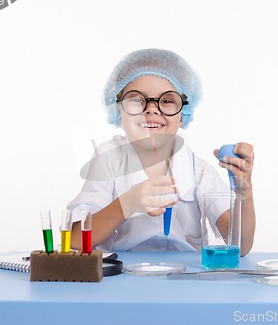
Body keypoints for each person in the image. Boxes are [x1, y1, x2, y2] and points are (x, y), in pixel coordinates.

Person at [67, 48, 256, 256]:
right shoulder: (109, 160)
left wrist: (243, 192)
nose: (151, 109)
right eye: (137, 99)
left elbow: (241, 247)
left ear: (183, 114)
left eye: (167, 101)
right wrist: (126, 204)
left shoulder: (198, 170)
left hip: (185, 278)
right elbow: (76, 240)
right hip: (122, 279)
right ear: (118, 110)